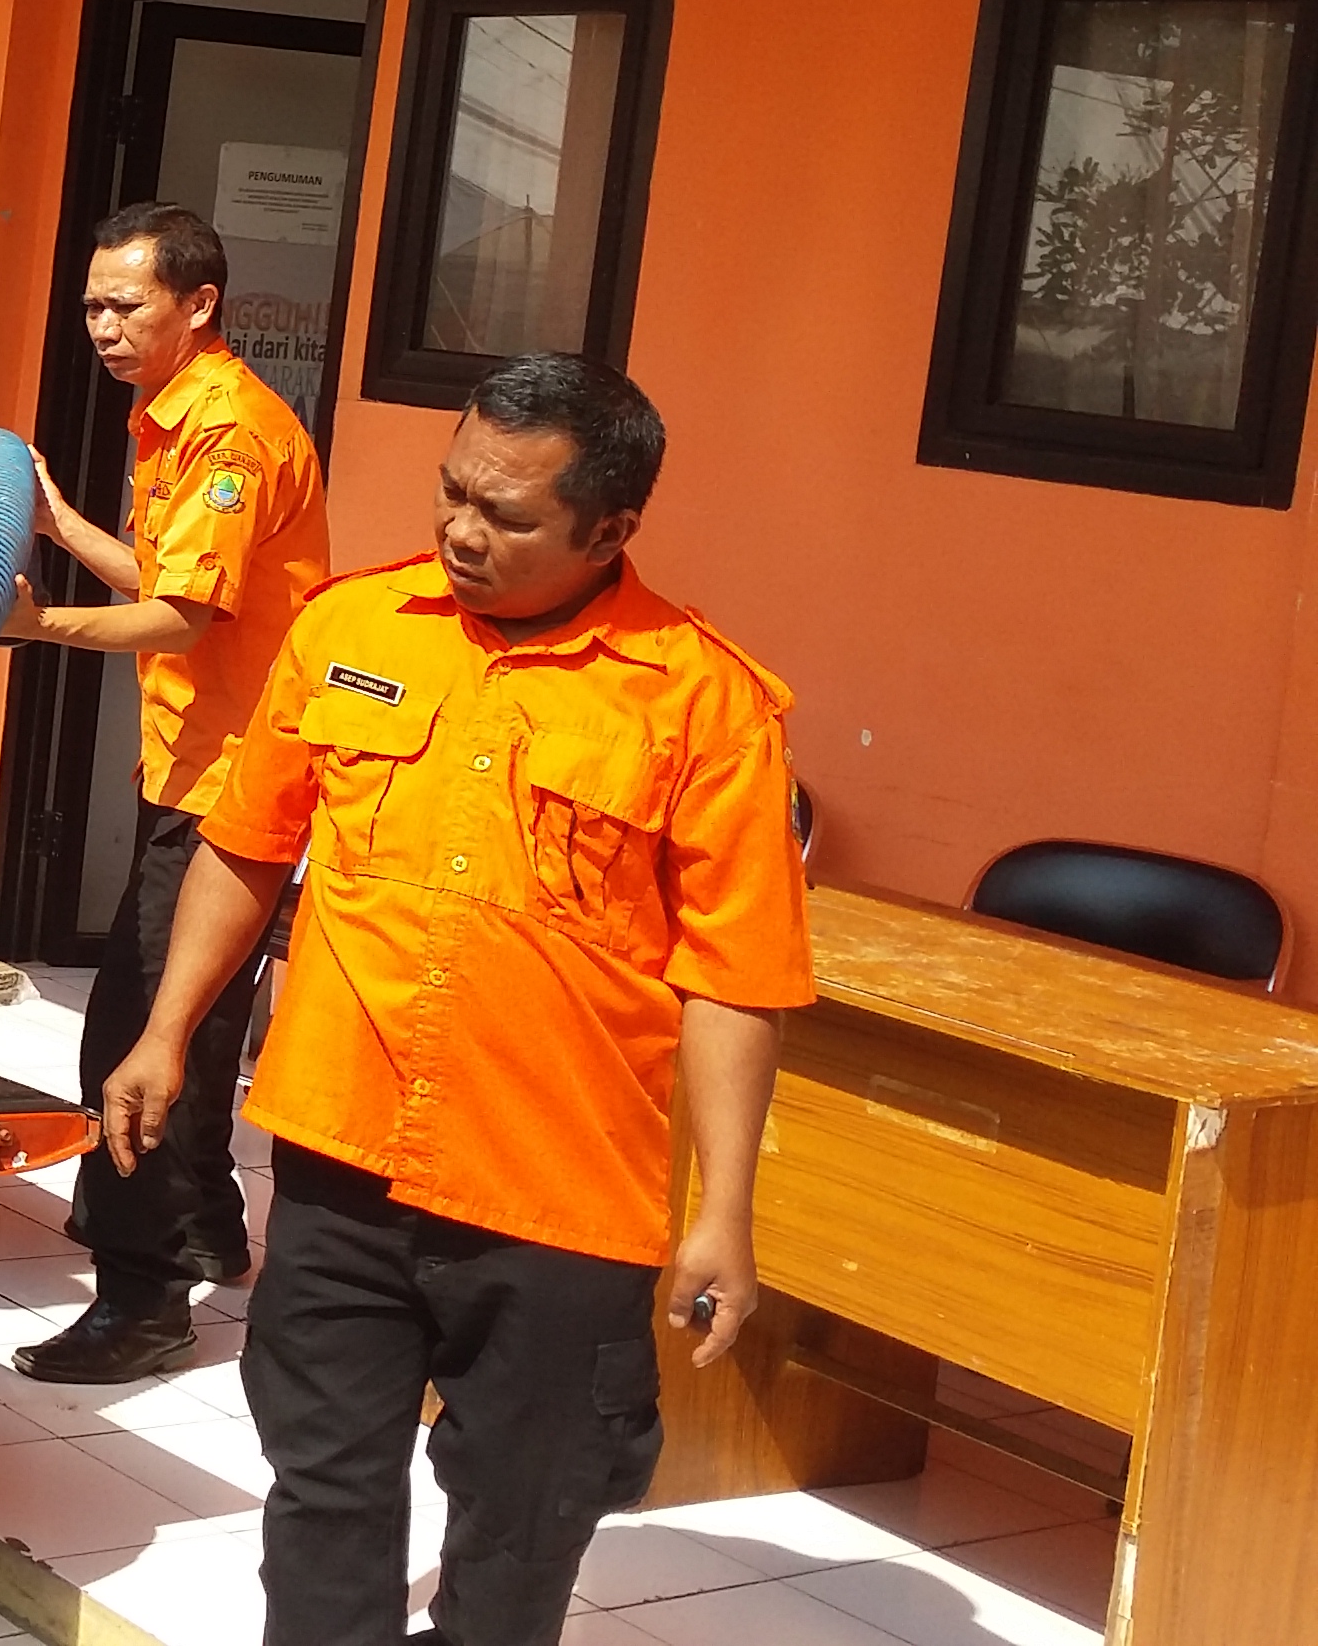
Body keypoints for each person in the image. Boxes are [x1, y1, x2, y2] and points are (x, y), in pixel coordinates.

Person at [97, 353, 812, 1646]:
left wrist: (723, 1212)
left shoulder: (706, 702)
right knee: (323, 1493)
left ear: (611, 529)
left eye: (508, 515)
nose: (462, 531)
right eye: (453, 492)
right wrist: (165, 1032)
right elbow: (246, 848)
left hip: (555, 1195)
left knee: (523, 1525)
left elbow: (735, 977)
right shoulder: (352, 629)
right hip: (341, 1162)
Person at [0, 202, 330, 1385]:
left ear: (200, 304)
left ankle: (140, 1301)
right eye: (92, 305)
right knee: (195, 1012)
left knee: (142, 1025)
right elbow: (168, 571)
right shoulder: (174, 413)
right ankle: (205, 1234)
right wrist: (61, 526)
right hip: (201, 763)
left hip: (232, 780)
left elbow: (185, 616)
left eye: (126, 304)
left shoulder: (230, 434)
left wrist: (37, 626)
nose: (103, 326)